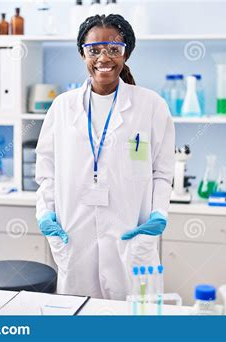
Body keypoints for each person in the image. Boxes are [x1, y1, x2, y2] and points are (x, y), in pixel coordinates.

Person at [35, 14, 175, 300]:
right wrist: (45, 213)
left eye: (114, 48)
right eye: (95, 49)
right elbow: (46, 171)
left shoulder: (151, 106)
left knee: (132, 320)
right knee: (80, 319)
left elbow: (162, 172)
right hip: (75, 236)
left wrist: (159, 213)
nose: (104, 58)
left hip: (130, 236)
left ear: (126, 53)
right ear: (82, 53)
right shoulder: (62, 107)